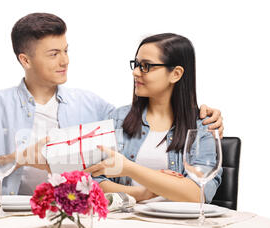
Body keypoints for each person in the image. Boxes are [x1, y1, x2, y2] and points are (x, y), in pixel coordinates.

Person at [0, 13, 223, 198]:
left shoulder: (94, 107)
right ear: (25, 60)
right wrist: (19, 158)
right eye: (54, 54)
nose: (66, 61)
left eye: (66, 50)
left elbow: (99, 170)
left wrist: (206, 114)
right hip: (8, 217)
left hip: (73, 216)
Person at [85, 33, 222, 204]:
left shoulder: (203, 126)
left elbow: (199, 193)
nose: (135, 72)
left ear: (176, 74)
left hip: (179, 227)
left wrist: (129, 168)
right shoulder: (118, 119)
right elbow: (93, 180)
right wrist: (142, 193)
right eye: (136, 64)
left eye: (146, 66)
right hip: (127, 222)